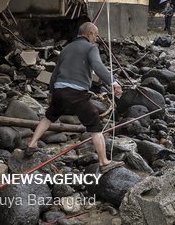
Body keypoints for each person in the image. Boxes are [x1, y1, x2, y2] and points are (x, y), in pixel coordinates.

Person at [25, 22, 123, 173]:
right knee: (95, 124)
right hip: (76, 93)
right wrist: (113, 82)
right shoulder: (91, 47)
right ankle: (104, 162)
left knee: (49, 116)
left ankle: (31, 144)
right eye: (95, 36)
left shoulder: (66, 48)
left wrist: (51, 93)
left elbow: (55, 73)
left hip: (59, 90)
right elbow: (98, 66)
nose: (96, 39)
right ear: (90, 33)